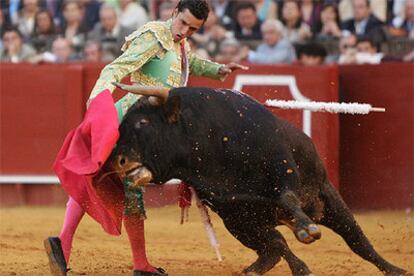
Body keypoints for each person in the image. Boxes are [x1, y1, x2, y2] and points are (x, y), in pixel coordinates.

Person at [44, 1, 248, 276]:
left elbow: (192, 62)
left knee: (99, 180)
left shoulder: (180, 42)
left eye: (192, 29)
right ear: (174, 12)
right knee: (130, 190)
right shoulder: (153, 36)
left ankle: (62, 244)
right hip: (132, 126)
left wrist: (217, 70)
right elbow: (115, 69)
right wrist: (98, 101)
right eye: (183, 23)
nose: (184, 31)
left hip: (152, 129)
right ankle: (139, 265)